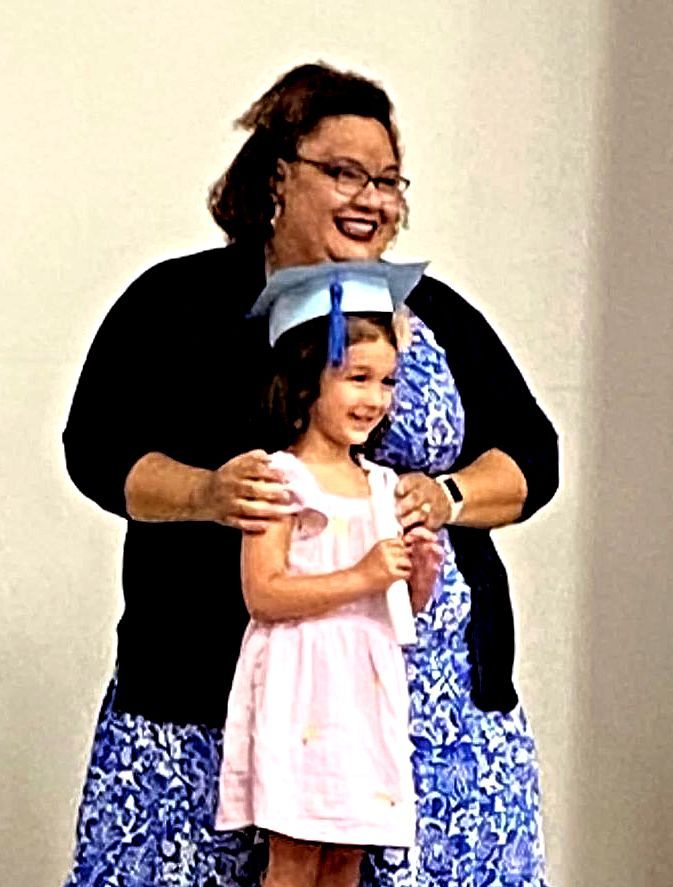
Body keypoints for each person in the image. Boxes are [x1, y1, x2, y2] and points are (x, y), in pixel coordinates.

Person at [62, 62, 558, 887]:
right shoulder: (175, 302)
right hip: (210, 704)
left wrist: (446, 496)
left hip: (423, 719)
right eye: (344, 172)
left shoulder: (440, 315)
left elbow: (532, 455)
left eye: (387, 180)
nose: (371, 198)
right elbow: (99, 450)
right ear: (276, 178)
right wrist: (206, 493)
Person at [215, 260, 443, 887]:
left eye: (387, 381)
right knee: (297, 853)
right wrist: (364, 574)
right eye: (357, 378)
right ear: (306, 377)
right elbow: (264, 594)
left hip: (362, 689)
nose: (375, 399)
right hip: (304, 686)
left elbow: (390, 607)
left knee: (346, 855)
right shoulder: (280, 478)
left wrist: (416, 579)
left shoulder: (382, 484)